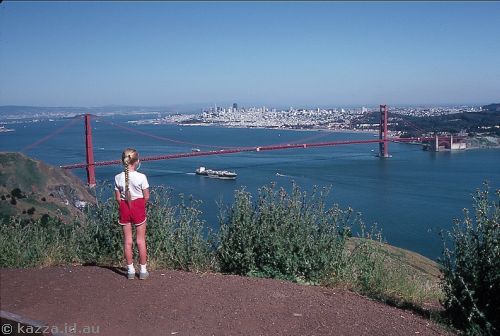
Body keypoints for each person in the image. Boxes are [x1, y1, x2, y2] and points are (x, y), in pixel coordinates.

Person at [114, 148, 150, 280]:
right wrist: (139, 205)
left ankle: (130, 271)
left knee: (127, 241)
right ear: (137, 162)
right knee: (140, 241)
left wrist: (125, 205)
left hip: (124, 206)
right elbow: (146, 196)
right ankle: (143, 271)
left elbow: (118, 198)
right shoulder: (141, 177)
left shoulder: (117, 177)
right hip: (138, 206)